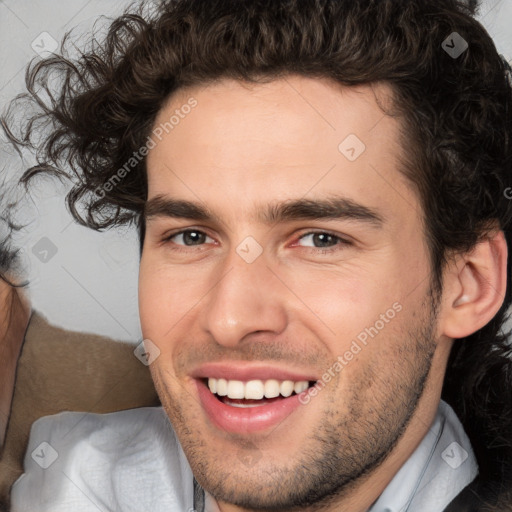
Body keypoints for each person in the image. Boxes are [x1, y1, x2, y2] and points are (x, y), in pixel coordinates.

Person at [3, 0, 512, 510]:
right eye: (191, 237)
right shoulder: (60, 478)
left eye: (320, 239)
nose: (230, 318)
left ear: (469, 283)